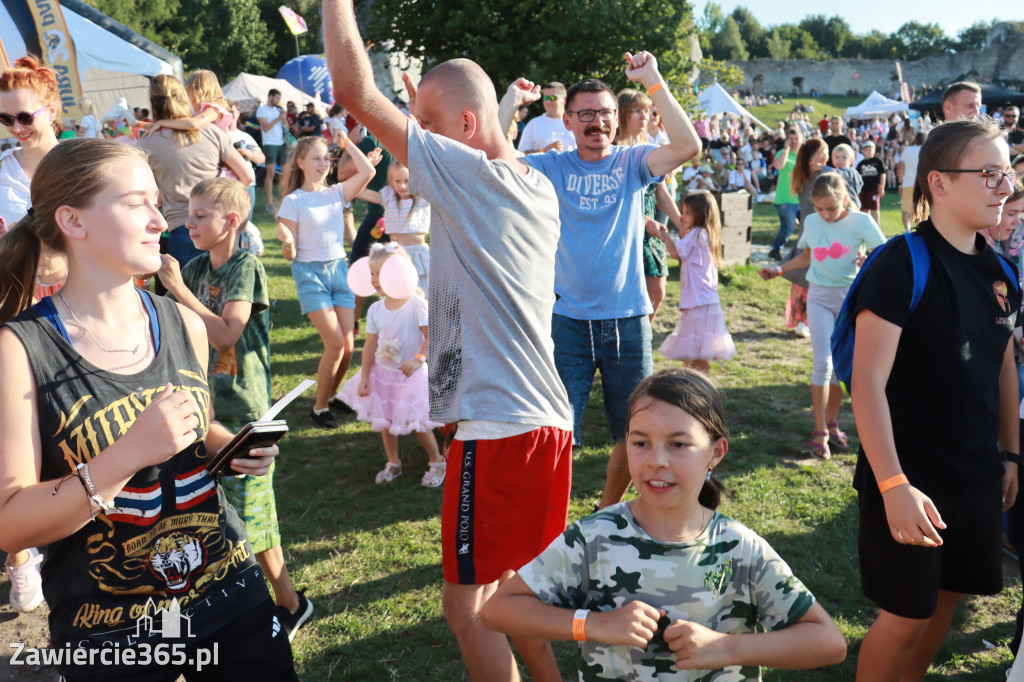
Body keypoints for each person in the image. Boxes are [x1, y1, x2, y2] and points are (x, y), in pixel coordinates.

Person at [324, 2, 575, 680]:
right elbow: (490, 134)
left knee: (468, 612)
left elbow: (351, 90)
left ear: (465, 127)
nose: (417, 143)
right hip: (536, 424)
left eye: (428, 128)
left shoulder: (473, 178)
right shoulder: (526, 183)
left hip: (503, 433)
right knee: (517, 602)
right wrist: (432, 111)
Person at [0, 138, 298, 681]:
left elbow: (193, 421)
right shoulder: (20, 349)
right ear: (73, 219)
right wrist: (128, 453)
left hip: (228, 589)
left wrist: (225, 446)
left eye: (158, 202)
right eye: (137, 202)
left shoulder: (183, 322)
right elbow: (11, 523)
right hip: (111, 625)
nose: (161, 219)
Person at [480, 368, 848, 680]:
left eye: (678, 444)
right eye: (641, 443)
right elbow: (499, 610)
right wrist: (591, 625)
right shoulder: (593, 538)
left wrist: (727, 647)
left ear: (715, 453)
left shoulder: (740, 549)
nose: (656, 460)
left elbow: (829, 642)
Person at [848, 119, 1020, 681]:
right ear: (939, 183)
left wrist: (1010, 456)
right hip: (908, 475)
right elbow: (866, 382)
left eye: (1007, 174)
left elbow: (1002, 366)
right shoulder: (901, 263)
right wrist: (894, 486)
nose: (1007, 187)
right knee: (905, 615)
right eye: (991, 173)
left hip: (976, 472)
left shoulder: (1002, 273)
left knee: (947, 602)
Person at [498, 55, 701, 512]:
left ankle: (608, 510)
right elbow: (491, 157)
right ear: (567, 120)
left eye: (605, 112)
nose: (597, 122)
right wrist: (511, 100)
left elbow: (688, 146)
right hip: (566, 321)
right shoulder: (551, 168)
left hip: (628, 322)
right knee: (554, 428)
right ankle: (551, 514)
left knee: (638, 432)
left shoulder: (633, 162)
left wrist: (652, 81)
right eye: (586, 114)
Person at [156, 177, 313, 642]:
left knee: (254, 520)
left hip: (246, 413)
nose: (190, 223)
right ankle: (266, 603)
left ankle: (291, 603)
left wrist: (177, 288)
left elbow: (227, 334)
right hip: (205, 412)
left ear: (231, 222)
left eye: (201, 215)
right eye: (188, 213)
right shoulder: (196, 266)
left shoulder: (245, 265)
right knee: (221, 516)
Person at [0, 57, 70, 609]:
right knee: (13, 425)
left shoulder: (78, 161)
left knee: (68, 418)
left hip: (74, 304)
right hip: (13, 308)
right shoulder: (0, 170)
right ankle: (21, 556)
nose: (17, 128)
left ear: (50, 105)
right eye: (6, 120)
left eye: (24, 116)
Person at [761, 173, 886, 459]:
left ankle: (831, 420)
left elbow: (885, 253)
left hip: (849, 300)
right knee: (822, 362)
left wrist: (869, 259)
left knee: (842, 366)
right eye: (819, 209)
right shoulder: (813, 222)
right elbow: (808, 255)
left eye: (831, 208)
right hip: (818, 296)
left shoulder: (861, 222)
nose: (825, 215)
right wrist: (779, 269)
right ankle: (819, 431)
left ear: (845, 198)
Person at [276, 136, 379, 428]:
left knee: (348, 346)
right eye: (315, 158)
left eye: (326, 158)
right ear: (300, 163)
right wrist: (287, 244)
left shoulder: (337, 193)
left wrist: (347, 142)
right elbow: (288, 247)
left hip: (339, 272)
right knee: (334, 344)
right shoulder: (294, 200)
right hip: (310, 276)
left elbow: (368, 173)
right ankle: (319, 409)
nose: (322, 164)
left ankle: (330, 395)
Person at [336, 243, 445, 486]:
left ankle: (437, 461)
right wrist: (365, 376)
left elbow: (432, 336)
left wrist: (418, 360)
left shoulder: (416, 305)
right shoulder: (376, 309)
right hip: (383, 374)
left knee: (417, 422)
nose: (374, 280)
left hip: (410, 376)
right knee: (385, 419)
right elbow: (370, 346)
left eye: (380, 274)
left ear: (400, 274)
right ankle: (393, 461)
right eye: (372, 274)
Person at [137, 75, 253, 271]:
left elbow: (141, 191)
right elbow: (247, 177)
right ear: (184, 97)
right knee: (229, 293)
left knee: (187, 297)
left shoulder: (147, 143)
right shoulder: (211, 132)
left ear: (152, 102)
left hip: (182, 227)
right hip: (221, 223)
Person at [648, 191, 736, 373]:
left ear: (700, 214)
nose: (682, 216)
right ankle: (693, 384)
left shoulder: (697, 235)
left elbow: (675, 253)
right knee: (691, 352)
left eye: (687, 213)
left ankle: (700, 386)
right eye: (682, 212)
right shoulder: (703, 234)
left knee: (696, 353)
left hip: (699, 304)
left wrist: (664, 236)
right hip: (700, 302)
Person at [614, 88, 682, 321]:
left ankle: (642, 333)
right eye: (636, 111)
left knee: (657, 292)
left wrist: (681, 222)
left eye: (646, 111)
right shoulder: (611, 151)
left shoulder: (650, 149)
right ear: (622, 115)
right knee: (624, 295)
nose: (644, 116)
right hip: (621, 232)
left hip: (651, 232)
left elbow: (662, 193)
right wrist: (644, 221)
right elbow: (611, 200)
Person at [353, 160, 431, 294]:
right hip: (396, 255)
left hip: (418, 254)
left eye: (407, 180)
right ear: (391, 181)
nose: (403, 185)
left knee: (422, 294)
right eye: (397, 181)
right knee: (397, 293)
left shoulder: (422, 197)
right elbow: (360, 192)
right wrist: (367, 171)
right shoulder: (389, 196)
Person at [769, 126, 804, 260]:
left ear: (801, 139)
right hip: (786, 198)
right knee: (788, 227)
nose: (794, 141)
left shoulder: (803, 155)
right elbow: (778, 166)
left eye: (796, 139)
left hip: (801, 198)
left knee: (806, 228)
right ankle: (776, 249)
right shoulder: (782, 153)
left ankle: (802, 254)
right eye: (791, 139)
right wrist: (786, 150)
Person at [517, 81, 576, 154]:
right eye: (545, 98)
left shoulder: (576, 122)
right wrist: (544, 151)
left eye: (552, 97)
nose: (548, 101)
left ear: (564, 100)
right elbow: (521, 154)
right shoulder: (534, 124)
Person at [257, 89, 288, 212]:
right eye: (276, 98)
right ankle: (269, 203)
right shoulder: (262, 110)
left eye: (279, 98)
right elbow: (265, 127)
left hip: (281, 144)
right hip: (270, 144)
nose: (278, 100)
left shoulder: (278, 110)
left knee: (285, 174)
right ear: (270, 97)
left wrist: (284, 118)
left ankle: (284, 200)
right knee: (270, 174)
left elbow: (287, 127)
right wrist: (278, 118)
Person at [898, 131, 926, 232]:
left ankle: (907, 229)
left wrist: (900, 183)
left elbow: (901, 168)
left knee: (905, 209)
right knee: (921, 208)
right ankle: (921, 228)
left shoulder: (907, 150)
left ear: (915, 140)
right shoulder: (926, 151)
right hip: (922, 184)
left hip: (908, 183)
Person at [857, 140, 886, 225]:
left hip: (874, 189)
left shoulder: (877, 162)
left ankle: (877, 226)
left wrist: (881, 187)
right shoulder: (861, 164)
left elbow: (882, 174)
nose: (869, 151)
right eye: (867, 149)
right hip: (863, 190)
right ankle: (867, 226)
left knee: (874, 208)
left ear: (874, 150)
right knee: (865, 209)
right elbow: (858, 178)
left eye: (871, 149)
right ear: (863, 151)